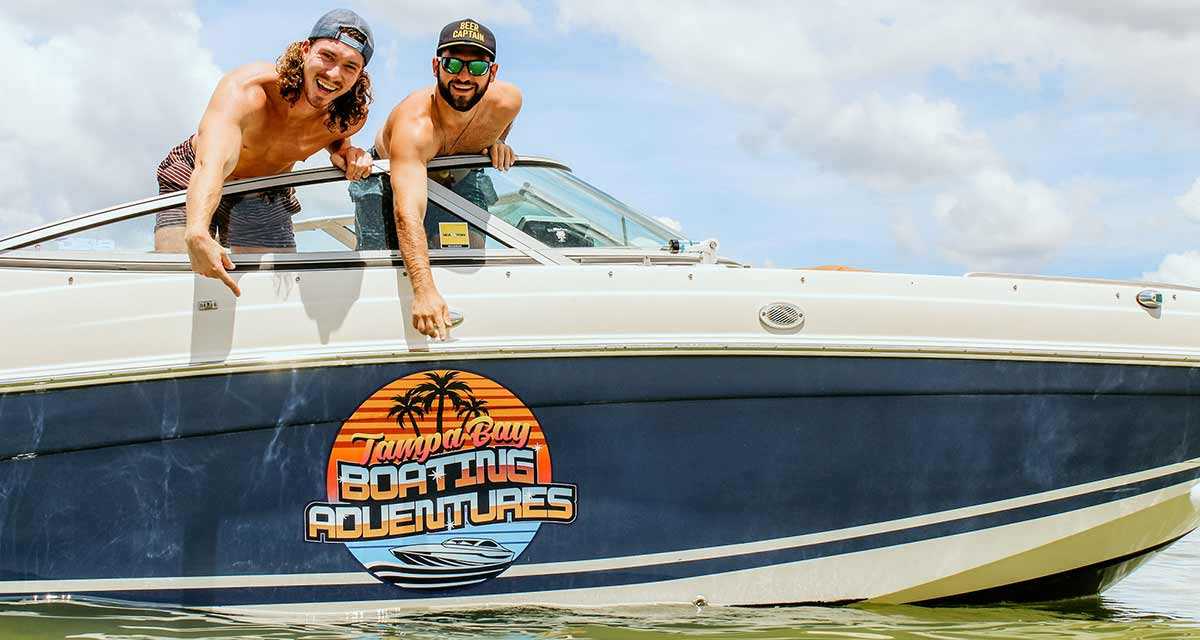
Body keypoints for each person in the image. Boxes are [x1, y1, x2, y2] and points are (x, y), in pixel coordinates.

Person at [155, 9, 377, 296]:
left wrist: (343, 151)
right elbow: (212, 163)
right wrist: (197, 230)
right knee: (178, 290)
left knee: (266, 299)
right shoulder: (248, 90)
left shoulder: (348, 117)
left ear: (360, 75)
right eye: (328, 56)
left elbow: (332, 138)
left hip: (265, 190)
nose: (334, 74)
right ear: (306, 49)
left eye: (350, 66)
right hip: (196, 174)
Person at [373, 19, 523, 339]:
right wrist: (424, 291)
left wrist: (495, 141)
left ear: (492, 73)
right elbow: (408, 212)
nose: (464, 76)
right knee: (388, 270)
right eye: (452, 63)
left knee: (469, 261)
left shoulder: (508, 102)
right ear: (435, 67)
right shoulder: (415, 127)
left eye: (477, 66)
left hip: (456, 173)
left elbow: (500, 123)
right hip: (387, 179)